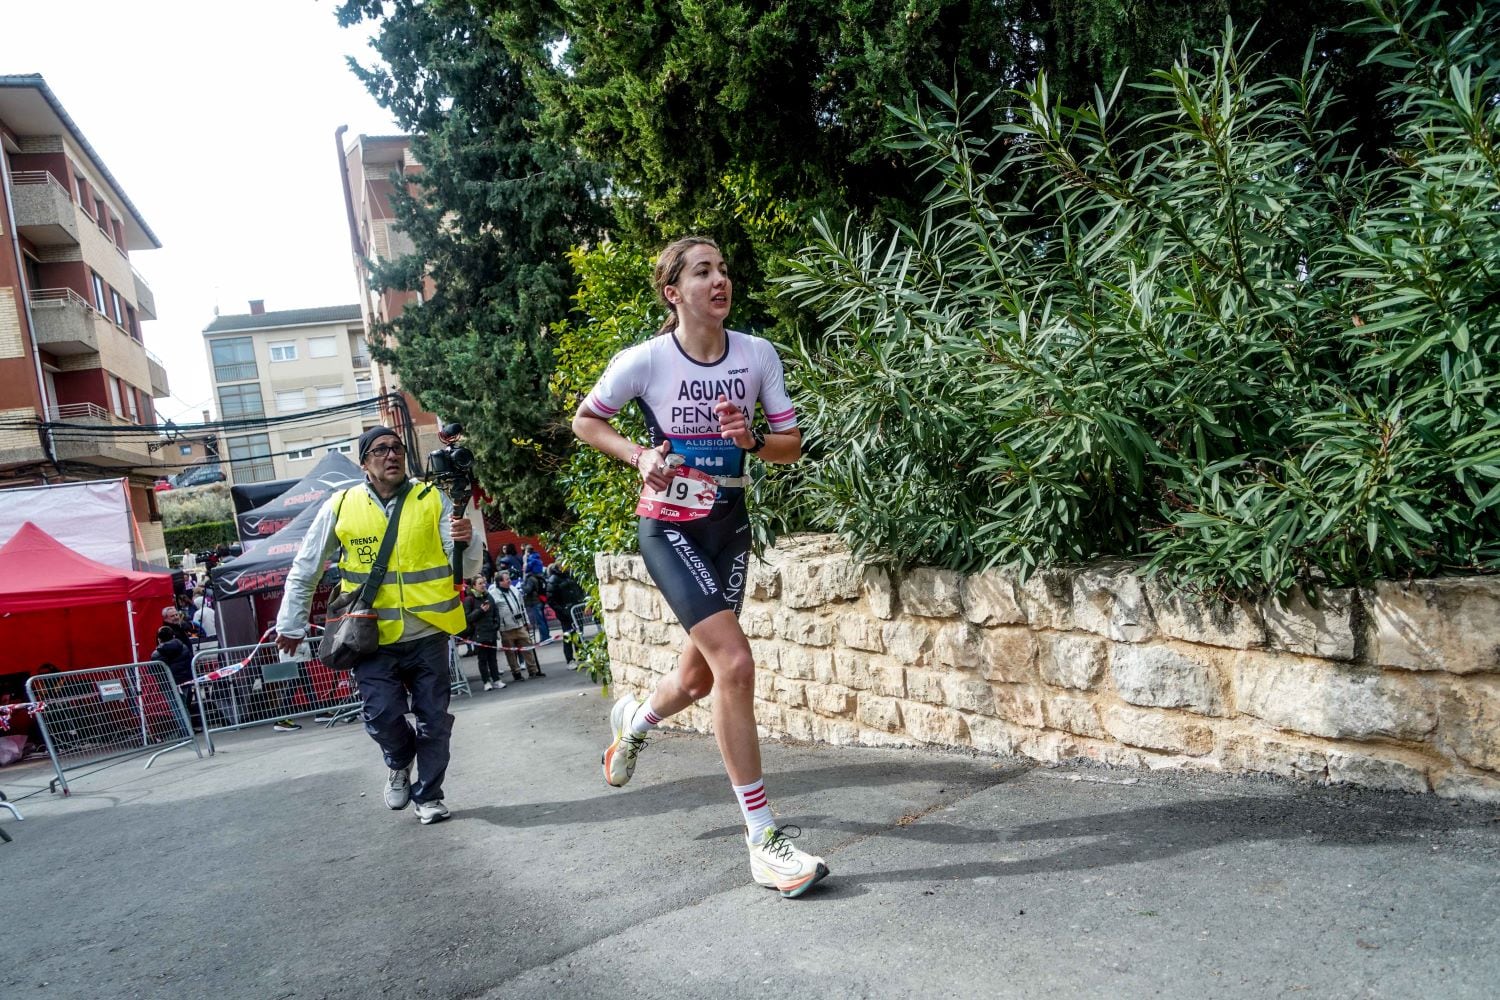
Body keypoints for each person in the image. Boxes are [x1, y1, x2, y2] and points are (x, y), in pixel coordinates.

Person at [571, 235, 827, 898]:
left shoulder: (756, 355)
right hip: (669, 523)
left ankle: (635, 722)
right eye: (703, 271)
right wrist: (638, 456)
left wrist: (751, 439)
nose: (720, 280)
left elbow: (791, 446)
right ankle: (764, 841)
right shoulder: (646, 361)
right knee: (735, 664)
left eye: (723, 270)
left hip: (728, 522)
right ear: (672, 292)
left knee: (698, 675)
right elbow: (586, 421)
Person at [273, 425, 480, 825]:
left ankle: (429, 795)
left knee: (434, 720)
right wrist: (292, 623)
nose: (392, 456)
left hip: (428, 631)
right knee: (382, 715)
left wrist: (467, 540)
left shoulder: (430, 497)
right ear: (364, 462)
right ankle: (400, 760)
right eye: (381, 450)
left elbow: (466, 568)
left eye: (397, 449)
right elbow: (306, 567)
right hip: (370, 637)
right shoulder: (341, 504)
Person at [487, 569, 541, 681]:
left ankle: (533, 670)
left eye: (509, 579)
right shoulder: (493, 594)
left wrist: (526, 621)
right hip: (506, 629)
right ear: (500, 582)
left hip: (520, 625)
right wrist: (497, 628)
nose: (509, 581)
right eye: (506, 580)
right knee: (510, 653)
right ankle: (516, 673)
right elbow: (492, 612)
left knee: (527, 648)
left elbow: (522, 606)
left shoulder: (514, 589)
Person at [465, 576, 506, 691]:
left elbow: (495, 612)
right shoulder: (469, 599)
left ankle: (496, 680)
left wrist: (496, 624)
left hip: (491, 632)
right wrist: (481, 611)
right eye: (480, 583)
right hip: (478, 634)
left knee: (493, 658)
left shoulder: (489, 596)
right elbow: (468, 618)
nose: (483, 585)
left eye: (484, 583)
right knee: (482, 659)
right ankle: (486, 681)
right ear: (474, 586)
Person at [545, 562, 590, 664]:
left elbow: (579, 589)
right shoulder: (553, 579)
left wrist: (582, 602)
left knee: (579, 634)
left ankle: (582, 656)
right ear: (559, 566)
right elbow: (551, 599)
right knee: (568, 637)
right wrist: (562, 610)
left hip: (576, 611)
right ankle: (569, 660)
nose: (568, 566)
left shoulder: (571, 575)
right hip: (565, 614)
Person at [520, 559, 552, 644]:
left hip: (535, 602)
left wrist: (522, 586)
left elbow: (528, 590)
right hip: (540, 601)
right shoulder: (539, 576)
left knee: (540, 621)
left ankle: (545, 638)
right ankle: (546, 636)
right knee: (542, 620)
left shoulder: (531, 578)